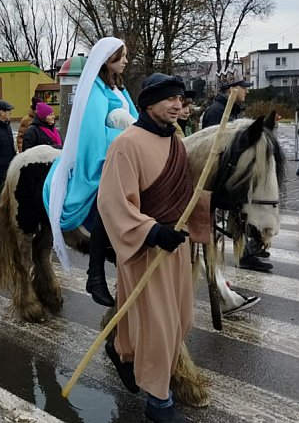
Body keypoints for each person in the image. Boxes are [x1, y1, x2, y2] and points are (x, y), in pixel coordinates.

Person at [97, 73, 212, 423]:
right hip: (145, 249)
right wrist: (151, 231)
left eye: (182, 99)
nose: (179, 105)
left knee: (180, 321)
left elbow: (184, 194)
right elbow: (112, 202)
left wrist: (211, 204)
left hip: (174, 249)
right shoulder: (127, 144)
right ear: (149, 104)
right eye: (171, 99)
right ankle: (158, 401)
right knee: (159, 328)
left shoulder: (176, 140)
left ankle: (124, 352)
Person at [43, 37, 138, 281]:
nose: (126, 60)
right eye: (122, 55)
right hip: (107, 155)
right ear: (108, 58)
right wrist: (125, 137)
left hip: (127, 151)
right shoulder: (96, 89)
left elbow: (135, 120)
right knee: (108, 202)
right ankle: (99, 264)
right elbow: (94, 133)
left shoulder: (120, 87)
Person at [202, 73, 273, 273]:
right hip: (224, 175)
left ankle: (248, 250)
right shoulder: (217, 111)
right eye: (243, 87)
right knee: (239, 213)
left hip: (233, 171)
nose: (247, 90)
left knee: (242, 213)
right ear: (231, 89)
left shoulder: (232, 109)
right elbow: (212, 145)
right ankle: (244, 254)